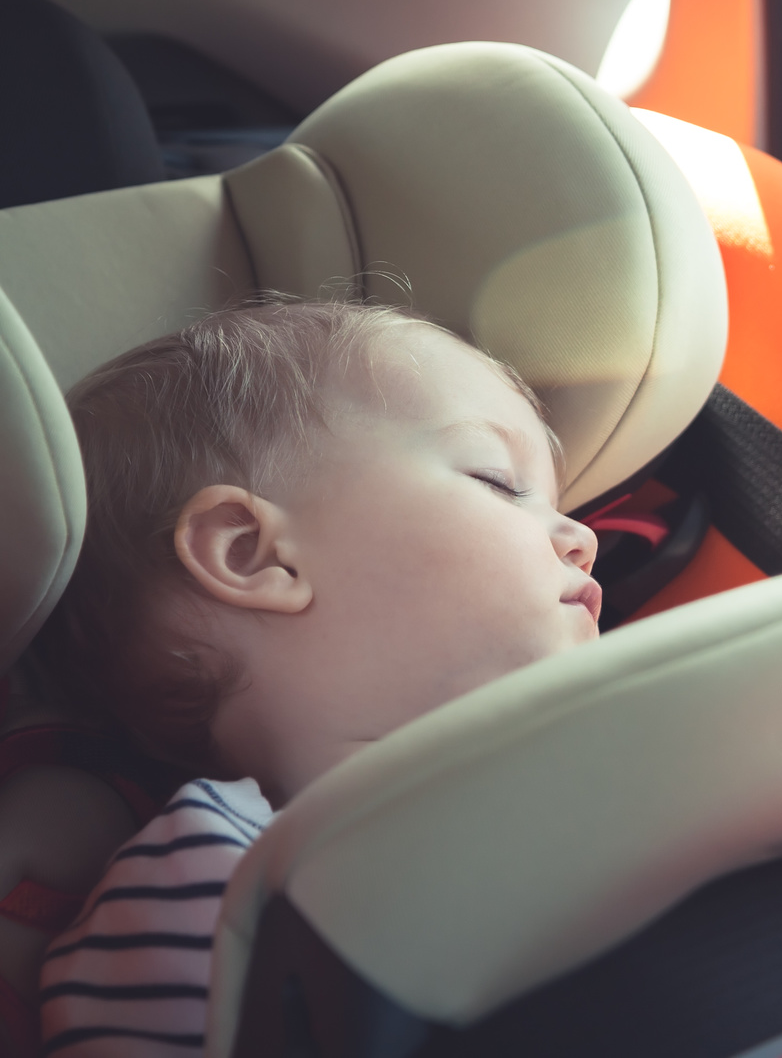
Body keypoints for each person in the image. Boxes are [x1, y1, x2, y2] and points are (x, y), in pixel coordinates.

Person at [11, 300, 600, 1055]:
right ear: (253, 554)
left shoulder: (600, 787)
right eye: (498, 479)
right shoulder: (224, 884)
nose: (582, 538)